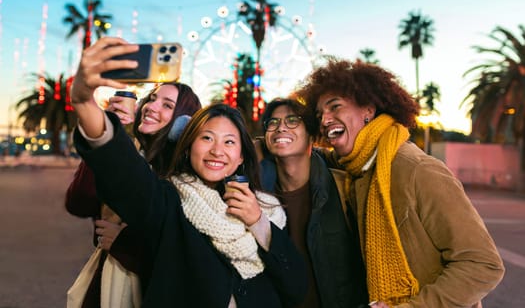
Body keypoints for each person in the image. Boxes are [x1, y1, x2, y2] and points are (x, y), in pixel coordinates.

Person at [69, 36, 308, 307]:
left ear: (240, 156)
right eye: (206, 138)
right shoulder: (169, 201)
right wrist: (84, 101)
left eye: (229, 142)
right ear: (187, 146)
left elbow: (296, 286)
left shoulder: (266, 209)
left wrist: (258, 223)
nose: (217, 150)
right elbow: (125, 172)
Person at [295, 59, 505, 307]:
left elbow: (483, 264)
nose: (325, 119)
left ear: (368, 110)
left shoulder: (419, 171)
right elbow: (316, 155)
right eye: (320, 114)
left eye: (335, 107)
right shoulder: (358, 167)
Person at [65, 80, 202, 307]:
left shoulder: (183, 176)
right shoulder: (132, 154)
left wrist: (124, 242)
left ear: (183, 124)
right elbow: (79, 202)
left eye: (167, 105)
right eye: (151, 98)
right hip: (104, 279)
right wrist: (106, 135)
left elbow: (184, 253)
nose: (151, 106)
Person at [258, 97, 369, 308]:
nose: (281, 127)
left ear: (311, 136)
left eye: (292, 120)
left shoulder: (343, 189)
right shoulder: (258, 196)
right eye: (272, 123)